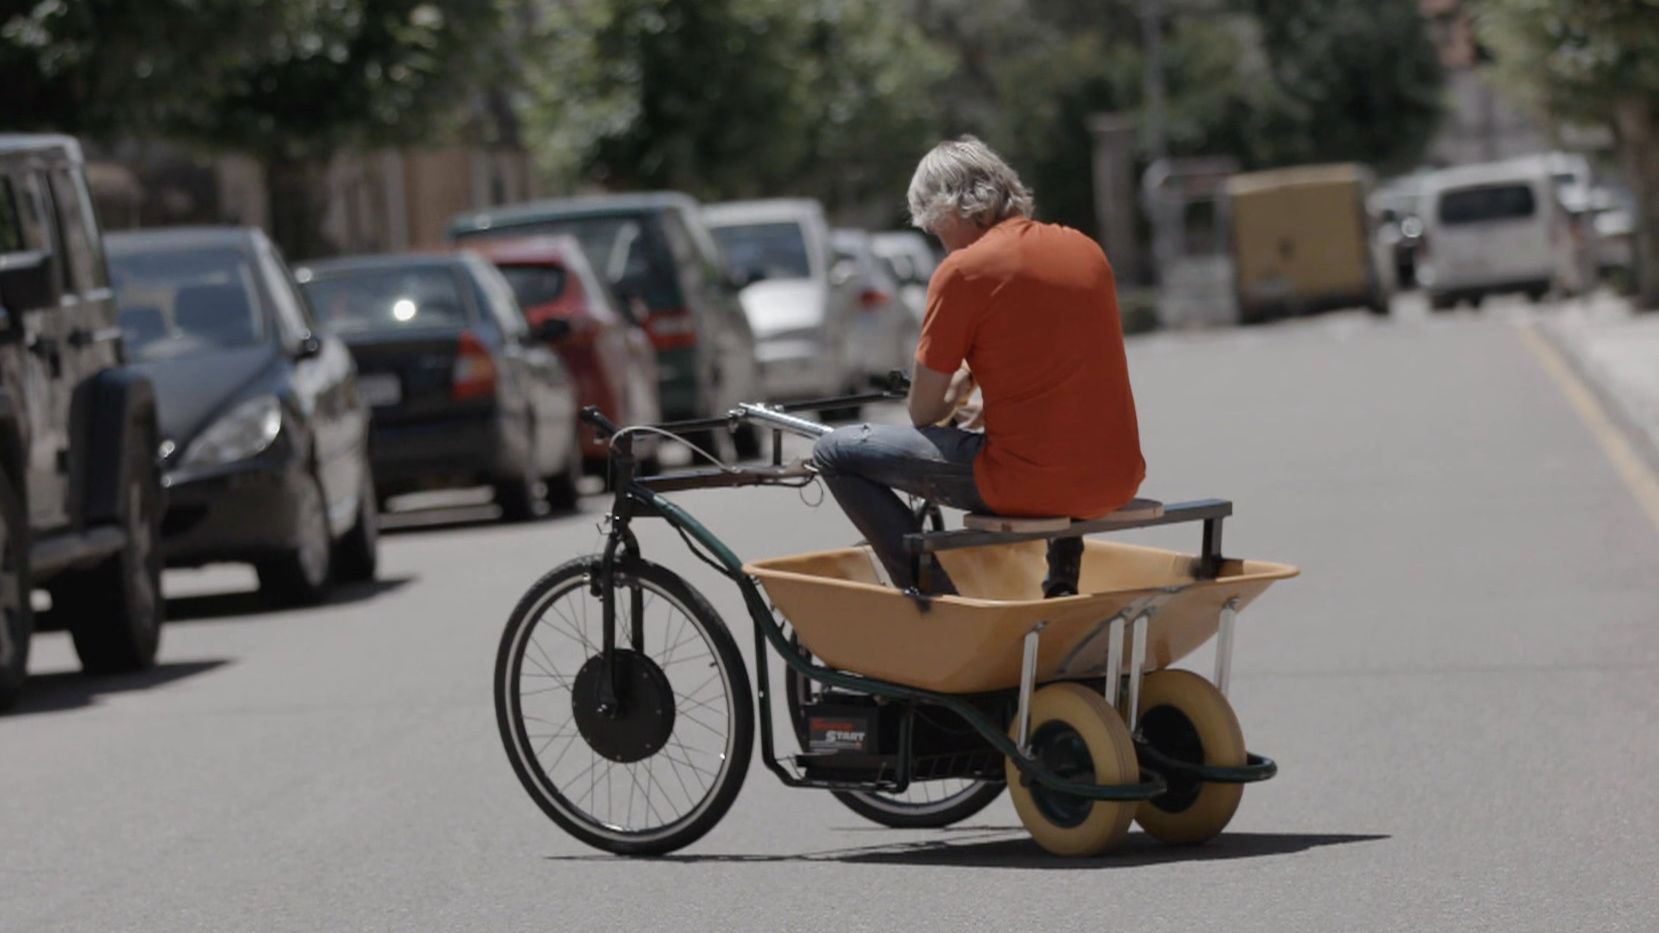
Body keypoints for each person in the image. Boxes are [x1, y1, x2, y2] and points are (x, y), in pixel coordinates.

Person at [812, 136, 1145, 597]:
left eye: (935, 229)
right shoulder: (1084, 248)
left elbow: (924, 414)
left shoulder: (964, 271)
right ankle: (1061, 581)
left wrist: (959, 389)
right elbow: (1057, 377)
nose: (940, 242)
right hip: (1116, 477)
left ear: (949, 211)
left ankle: (938, 603)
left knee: (836, 452)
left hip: (1029, 485)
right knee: (1055, 451)